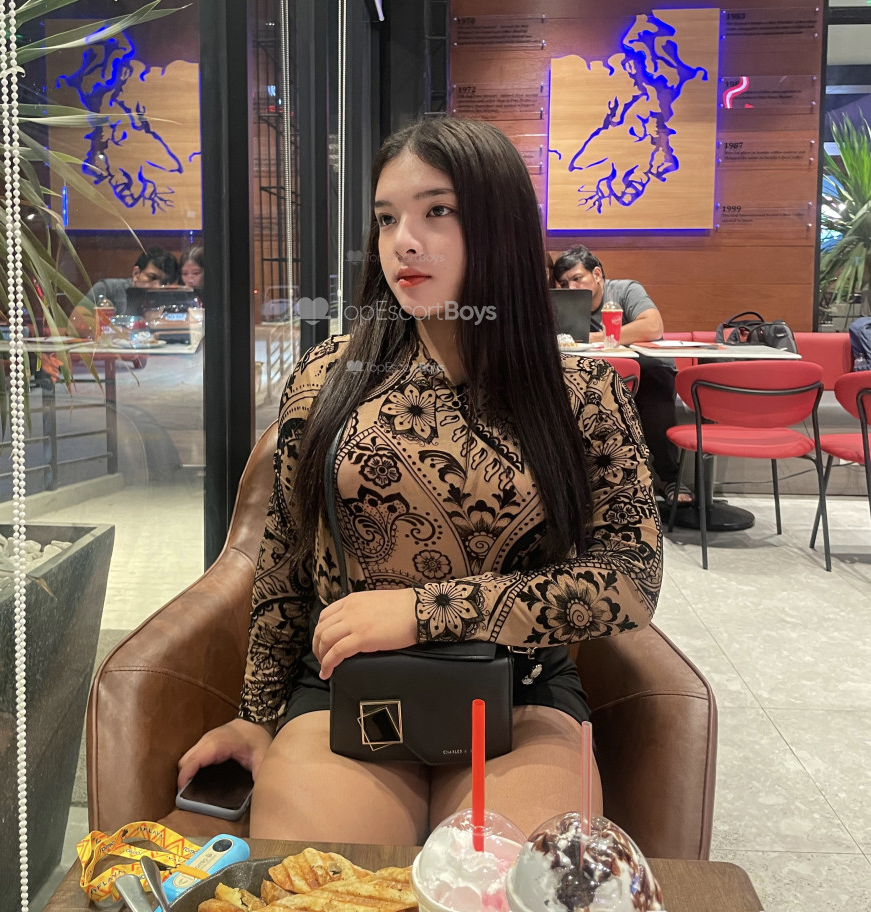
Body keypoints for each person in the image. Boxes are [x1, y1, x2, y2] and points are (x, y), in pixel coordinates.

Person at [179, 119, 661, 844]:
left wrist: (425, 611)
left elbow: (630, 581)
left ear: (498, 225)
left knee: (508, 877)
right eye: (386, 218)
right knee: (332, 880)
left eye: (437, 211)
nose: (404, 241)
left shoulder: (582, 392)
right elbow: (284, 557)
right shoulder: (328, 375)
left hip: (520, 692)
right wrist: (255, 714)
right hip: (347, 687)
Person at [550, 245, 690, 508]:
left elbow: (653, 326)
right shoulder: (564, 304)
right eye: (564, 283)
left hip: (646, 369)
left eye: (577, 278)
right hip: (597, 374)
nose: (571, 288)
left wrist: (593, 338)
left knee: (655, 394)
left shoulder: (625, 290)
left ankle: (669, 477)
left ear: (597, 274)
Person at [69, 245, 178, 336]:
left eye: (164, 282)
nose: (157, 286)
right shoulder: (107, 289)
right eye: (152, 277)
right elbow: (75, 324)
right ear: (136, 273)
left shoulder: (166, 298)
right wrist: (121, 333)